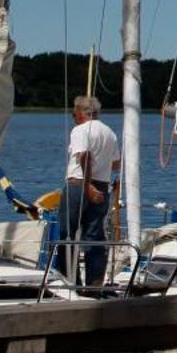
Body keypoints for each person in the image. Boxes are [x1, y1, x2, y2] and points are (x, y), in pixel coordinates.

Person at [63, 95, 120, 287]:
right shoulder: (110, 133)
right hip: (102, 185)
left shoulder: (80, 130)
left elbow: (84, 156)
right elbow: (116, 164)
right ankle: (94, 285)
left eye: (74, 113)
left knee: (67, 234)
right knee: (94, 235)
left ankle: (69, 281)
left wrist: (87, 185)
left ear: (80, 114)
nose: (73, 117)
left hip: (80, 185)